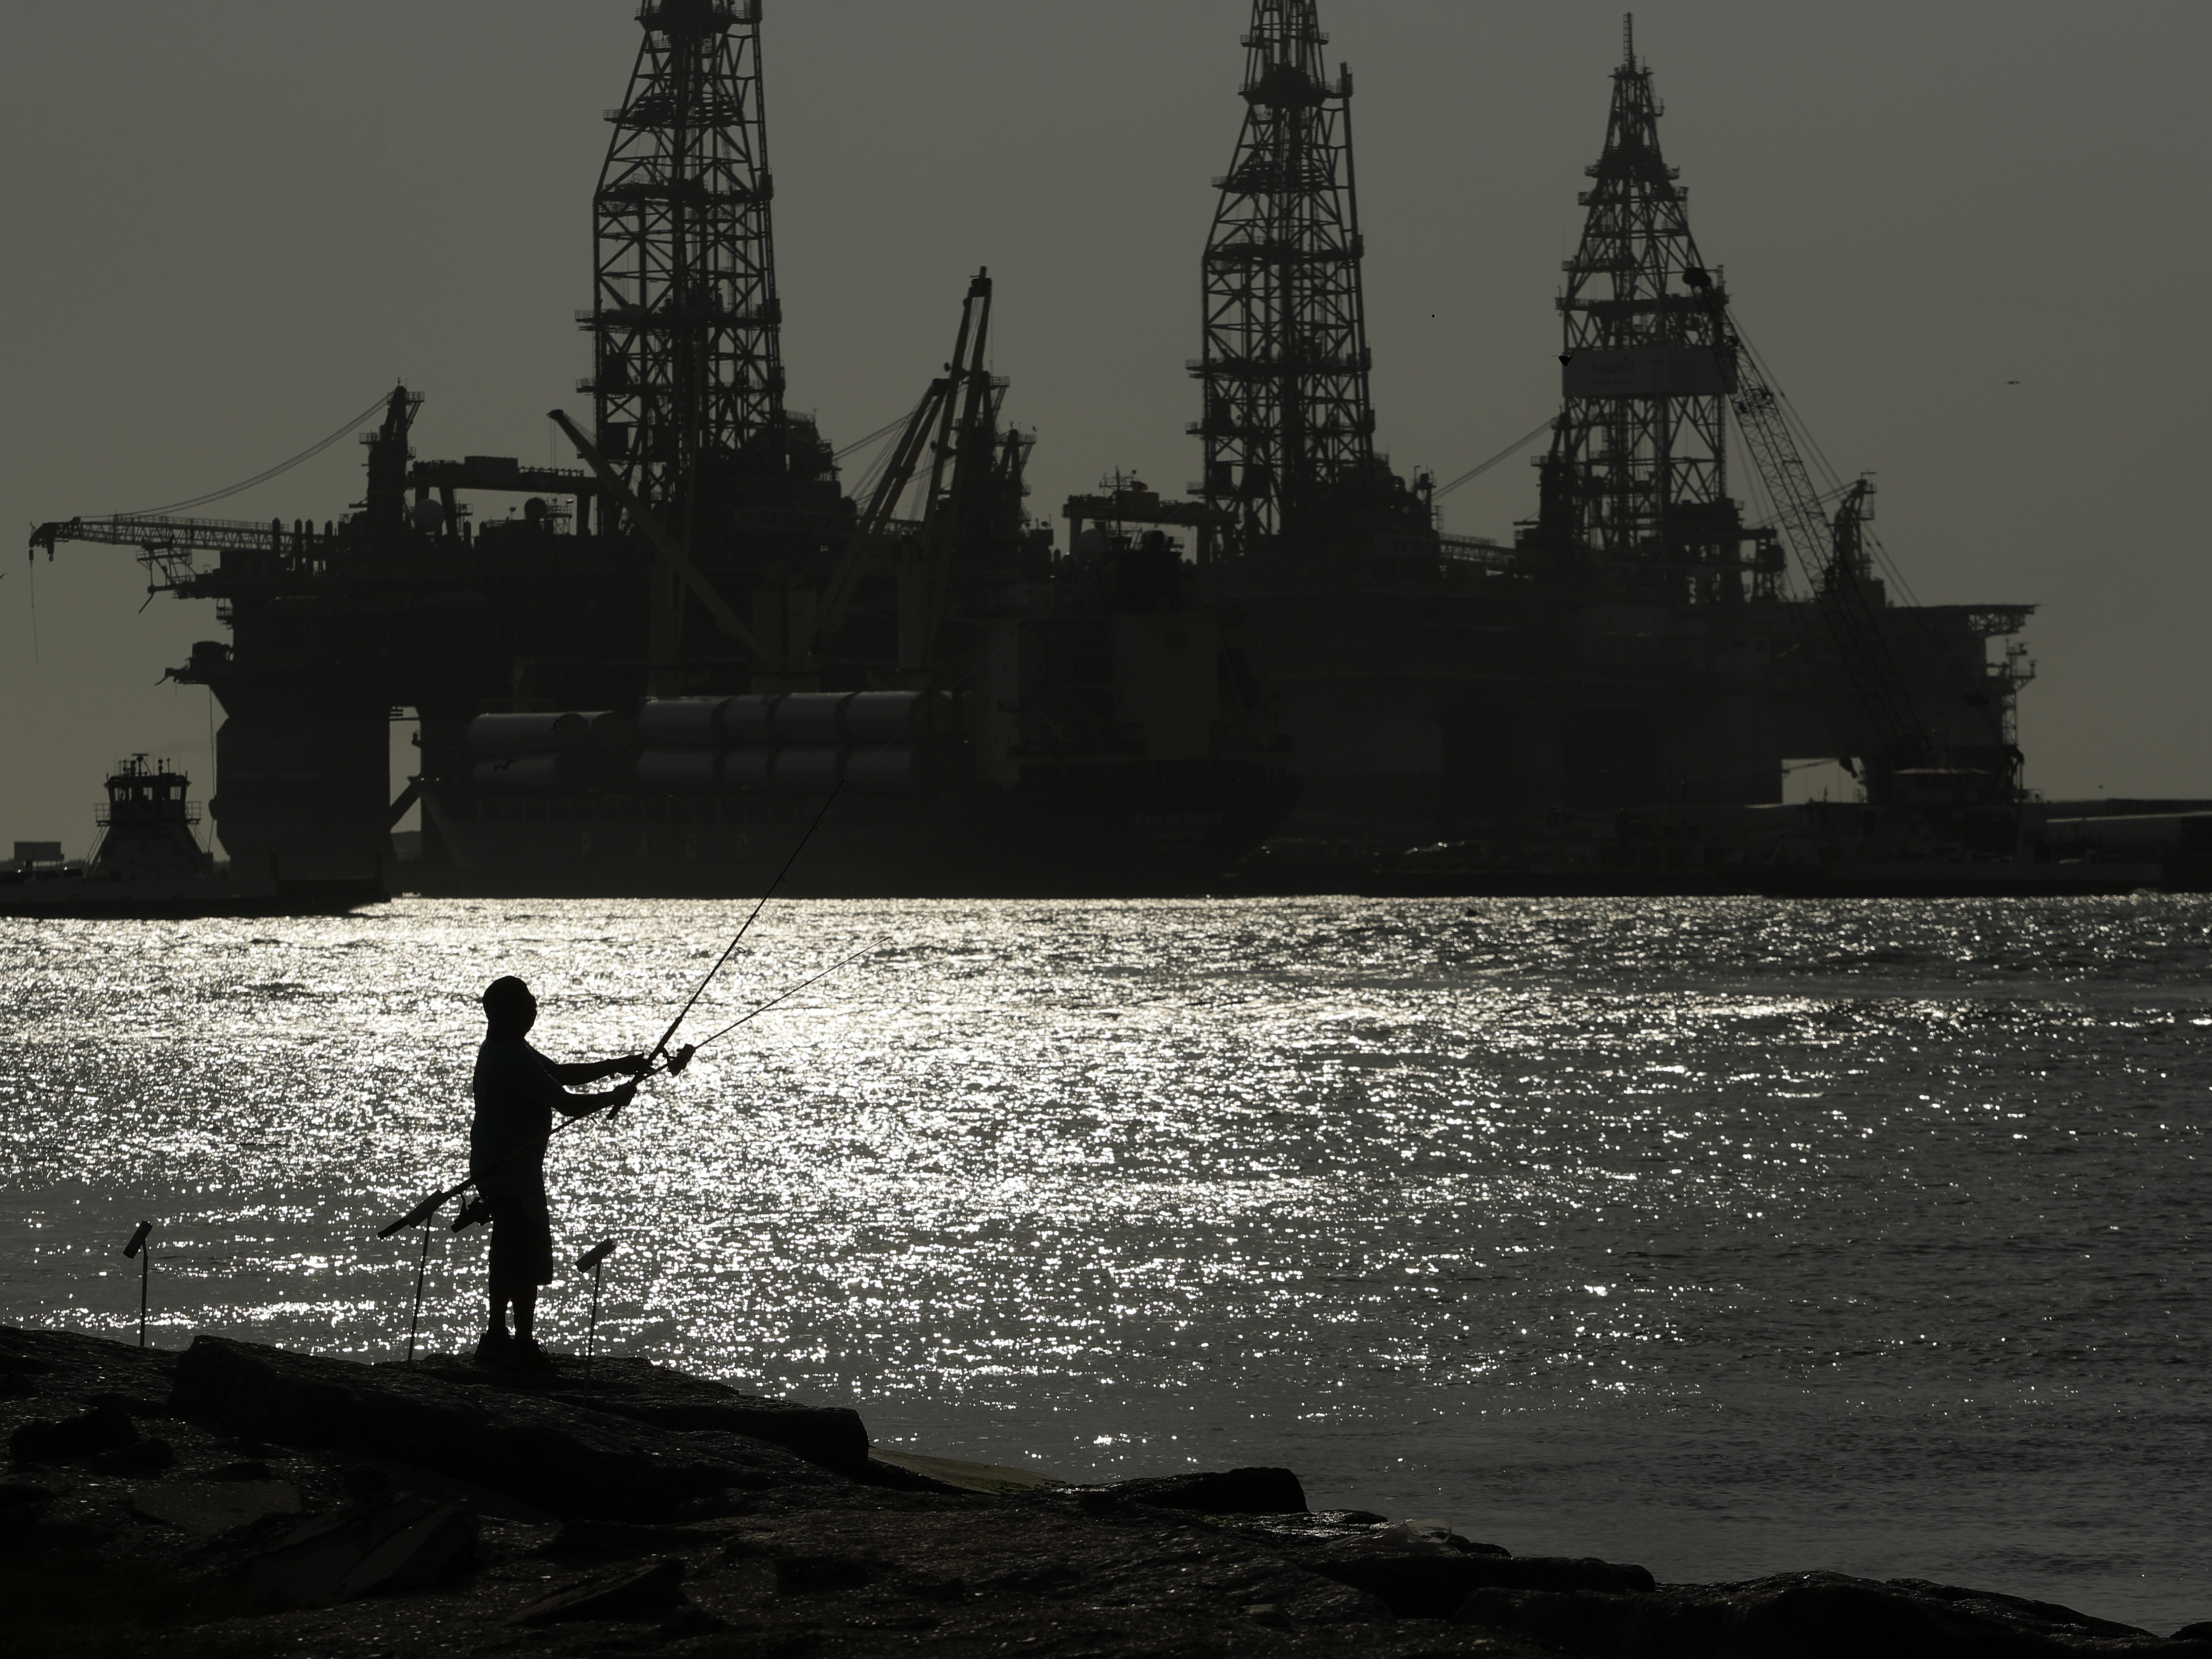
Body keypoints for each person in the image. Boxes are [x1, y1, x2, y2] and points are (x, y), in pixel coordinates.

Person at [470, 976, 647, 1370]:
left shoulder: (507, 1048)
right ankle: (521, 1345)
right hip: (513, 1171)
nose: (534, 1009)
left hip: (496, 1166)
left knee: (505, 1249)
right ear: (507, 1013)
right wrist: (612, 1098)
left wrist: (618, 1065)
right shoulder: (509, 1055)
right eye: (527, 1004)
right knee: (523, 1255)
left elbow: (560, 1074)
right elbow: (566, 1104)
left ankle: (498, 1336)